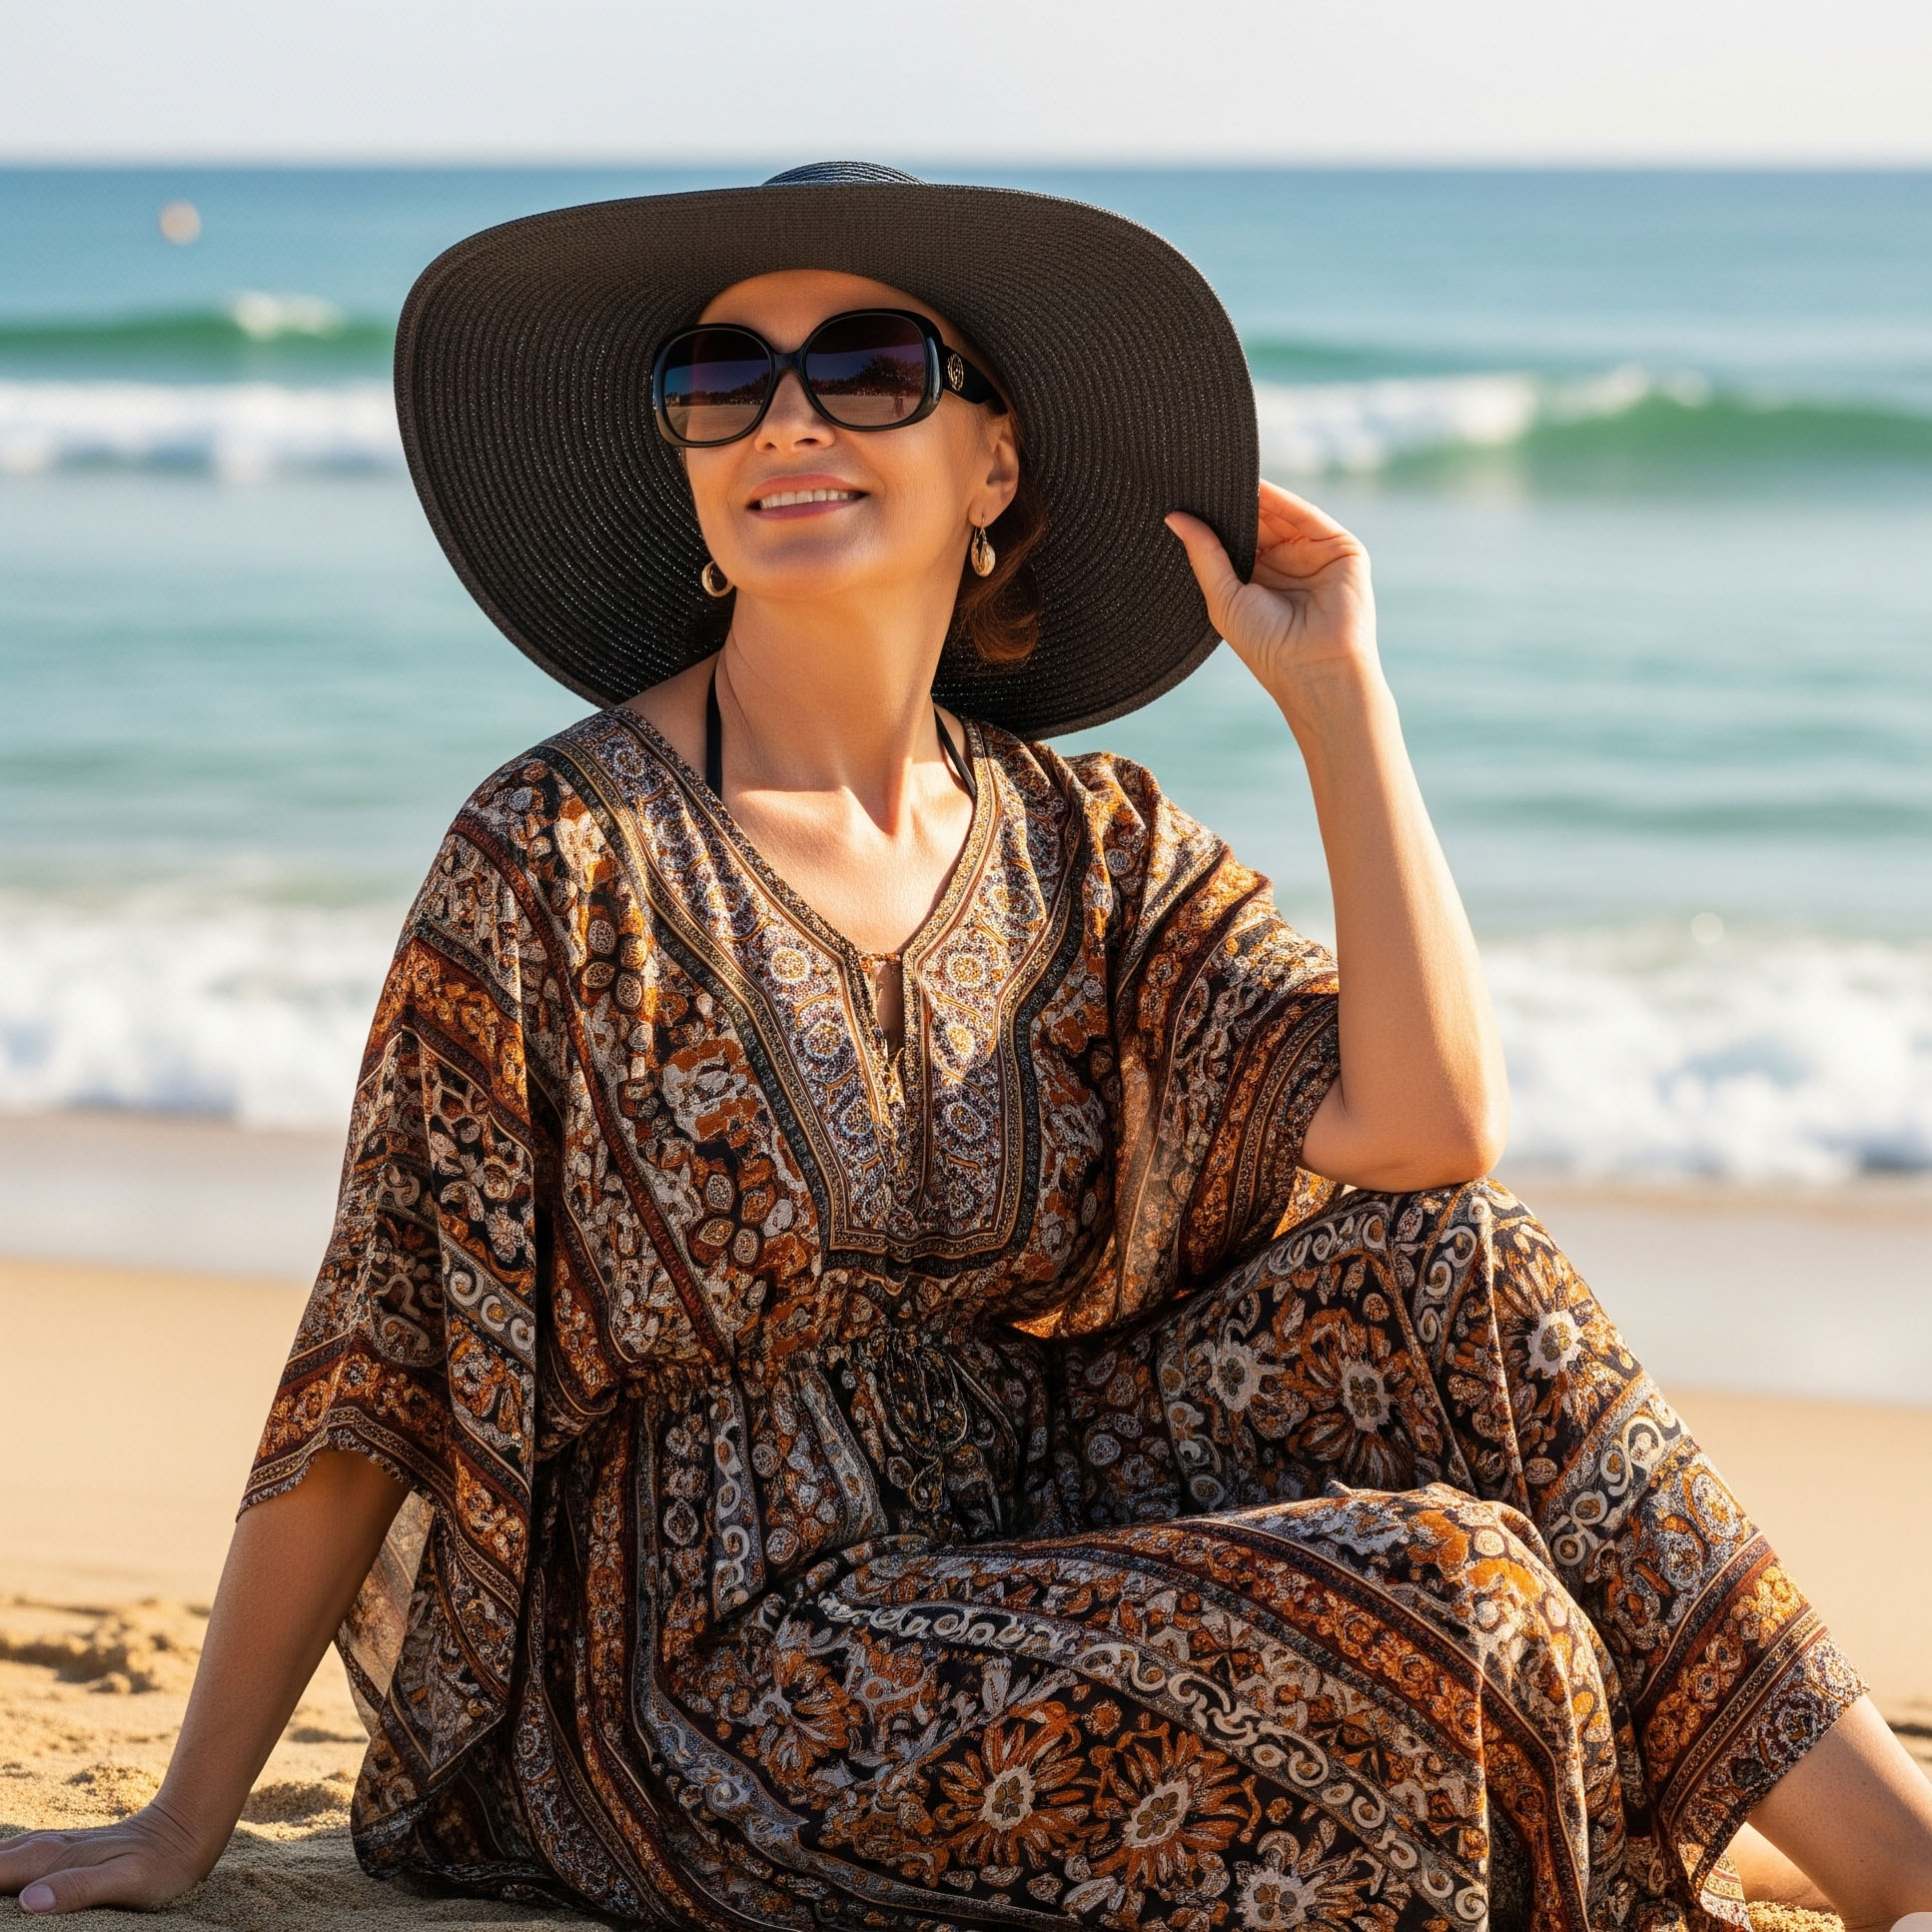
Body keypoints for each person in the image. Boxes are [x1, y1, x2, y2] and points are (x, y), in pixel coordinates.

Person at [5, 163, 1929, 1932]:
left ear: (992, 457)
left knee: (1461, 1275)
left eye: (866, 366)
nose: (785, 419)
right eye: (721, 379)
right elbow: (376, 1355)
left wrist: (1340, 697)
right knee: (1457, 1603)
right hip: (722, 1655)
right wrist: (185, 1818)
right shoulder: (555, 858)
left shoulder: (1088, 845)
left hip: (1030, 1492)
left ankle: (1903, 1875)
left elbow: (1426, 1124)